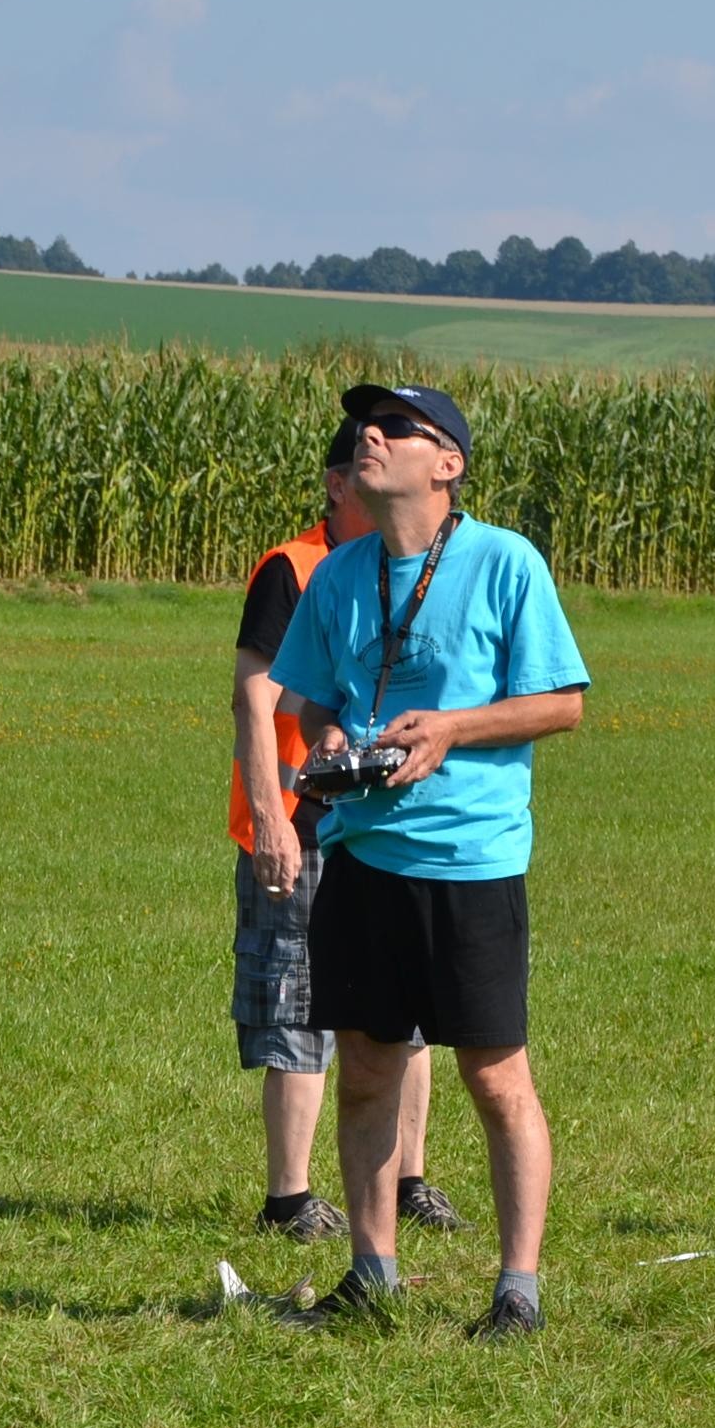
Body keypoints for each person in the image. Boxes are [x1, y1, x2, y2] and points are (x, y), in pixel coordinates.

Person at [267, 381, 589, 1341]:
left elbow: (563, 703)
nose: (369, 435)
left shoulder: (505, 562)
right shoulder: (338, 574)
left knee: (495, 1078)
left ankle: (518, 1293)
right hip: (363, 856)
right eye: (365, 426)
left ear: (448, 464)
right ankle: (372, 1281)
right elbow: (310, 704)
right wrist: (329, 742)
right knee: (367, 1069)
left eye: (395, 427)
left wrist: (451, 728)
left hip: (470, 861)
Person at [230, 424, 455, 1245]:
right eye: (363, 467)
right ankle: (289, 1198)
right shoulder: (293, 568)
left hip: (386, 824)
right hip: (301, 824)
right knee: (296, 1003)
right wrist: (270, 818)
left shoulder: (413, 572)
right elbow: (255, 699)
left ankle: (409, 1181)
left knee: (407, 1009)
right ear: (336, 485)